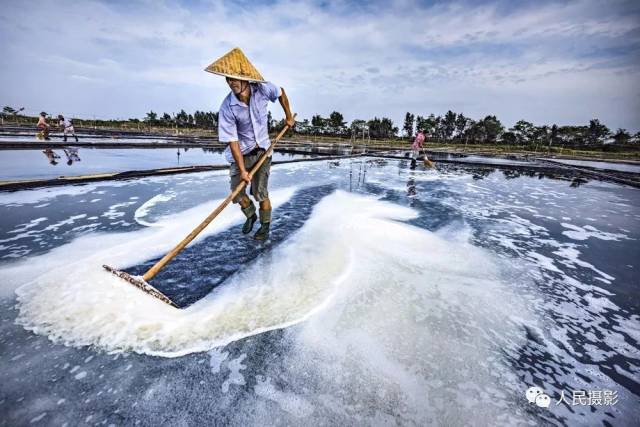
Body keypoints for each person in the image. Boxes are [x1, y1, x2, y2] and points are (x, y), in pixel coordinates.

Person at [205, 47, 294, 241]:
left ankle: (265, 226)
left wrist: (288, 116)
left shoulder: (263, 89)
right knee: (236, 194)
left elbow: (281, 93)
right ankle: (251, 215)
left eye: (234, 78)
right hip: (241, 153)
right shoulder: (227, 107)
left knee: (260, 193)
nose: (231, 83)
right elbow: (233, 140)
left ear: (245, 78)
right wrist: (242, 170)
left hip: (263, 151)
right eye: (228, 79)